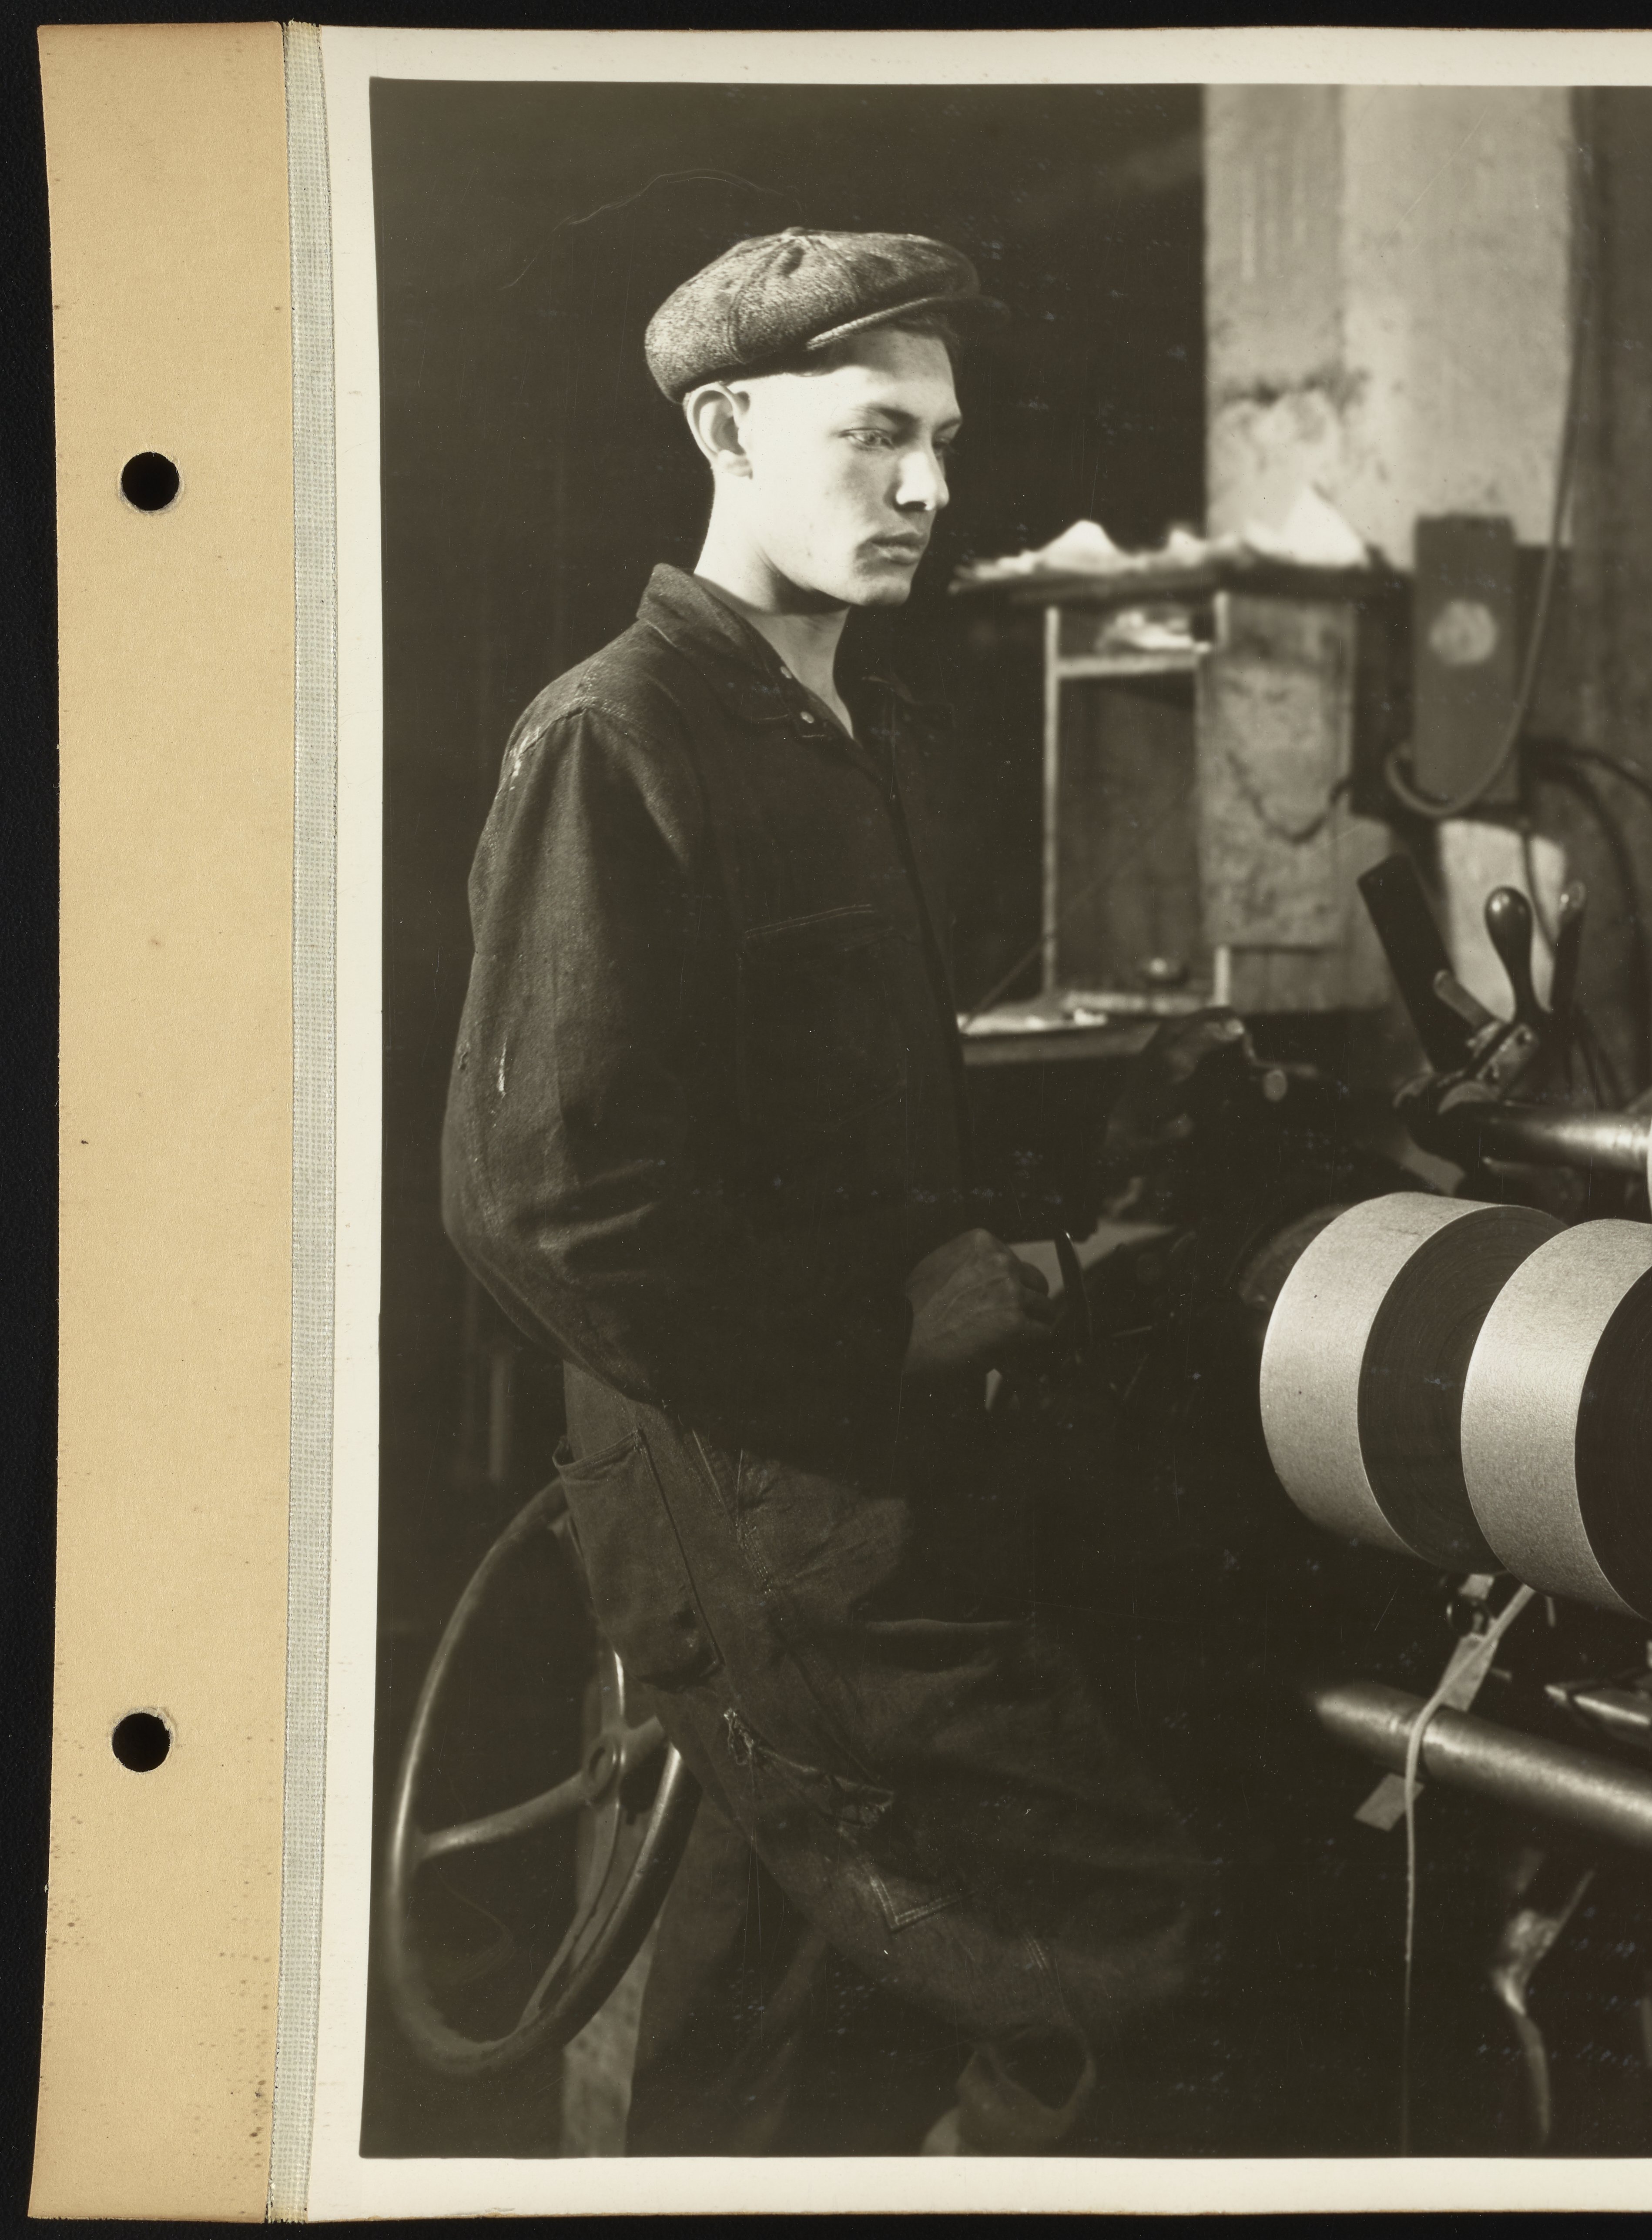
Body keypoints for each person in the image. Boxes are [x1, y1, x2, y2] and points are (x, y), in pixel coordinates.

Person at [441, 228, 1253, 2154]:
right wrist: (886, 1327)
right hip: (772, 1515)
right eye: (877, 434)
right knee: (1138, 1967)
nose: (930, 489)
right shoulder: (620, 734)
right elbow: (541, 1202)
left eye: (943, 440)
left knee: (739, 2062)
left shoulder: (841, 735)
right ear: (727, 431)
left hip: (852, 1482)